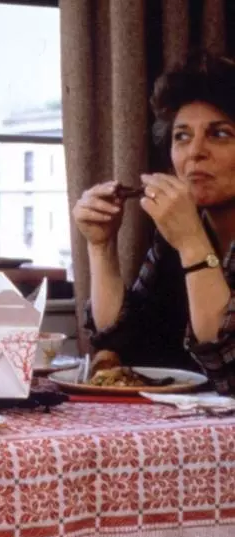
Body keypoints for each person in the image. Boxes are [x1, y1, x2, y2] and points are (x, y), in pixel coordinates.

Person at [72, 51, 235, 394]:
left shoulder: (184, 230)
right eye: (182, 136)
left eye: (220, 134)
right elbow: (121, 341)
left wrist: (191, 243)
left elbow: (230, 374)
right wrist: (101, 246)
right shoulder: (174, 233)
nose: (195, 152)